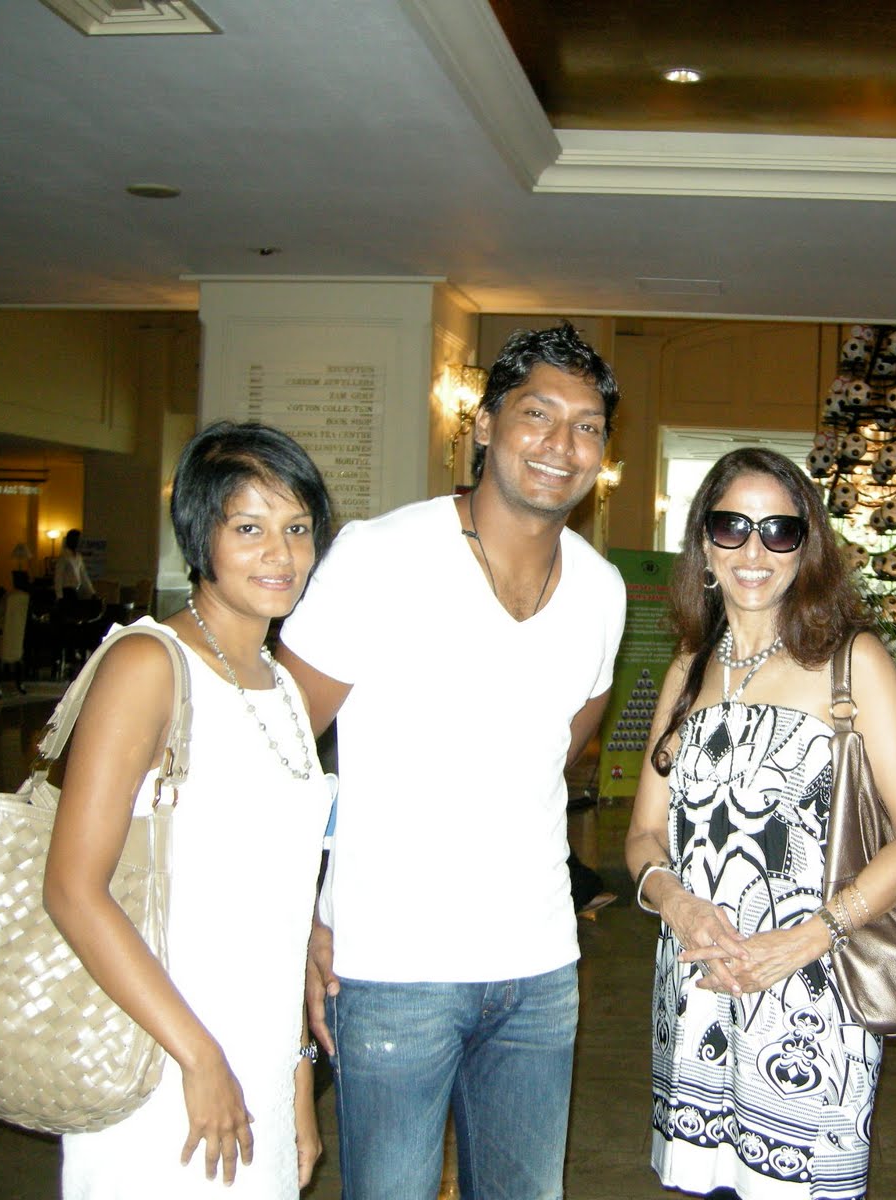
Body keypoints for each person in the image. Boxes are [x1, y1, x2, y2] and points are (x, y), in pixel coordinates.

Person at [275, 322, 627, 1200]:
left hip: (539, 968)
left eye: (586, 426)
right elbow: (275, 751)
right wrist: (299, 918)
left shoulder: (601, 590)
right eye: (537, 414)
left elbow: (560, 749)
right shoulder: (380, 555)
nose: (561, 444)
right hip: (391, 966)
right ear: (484, 424)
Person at [625, 448, 896, 1200]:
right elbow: (643, 834)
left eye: (779, 531)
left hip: (812, 993)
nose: (754, 551)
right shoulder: (687, 668)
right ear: (704, 544)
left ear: (807, 548)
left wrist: (809, 938)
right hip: (697, 985)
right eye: (732, 527)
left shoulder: (852, 663)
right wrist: (677, 904)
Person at [44, 421, 336, 1197]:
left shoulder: (280, 685)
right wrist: (199, 1059)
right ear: (199, 538)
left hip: (257, 1064)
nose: (280, 554)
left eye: (297, 528)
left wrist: (296, 1082)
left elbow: (282, 911)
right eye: (249, 528)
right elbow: (72, 888)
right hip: (157, 1055)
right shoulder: (148, 664)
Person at [53, 528, 96, 599]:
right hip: (67, 591)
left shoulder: (78, 557)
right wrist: (59, 596)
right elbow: (58, 576)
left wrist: (92, 592)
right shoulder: (64, 556)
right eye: (77, 540)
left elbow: (84, 576)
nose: (79, 542)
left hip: (77, 590)